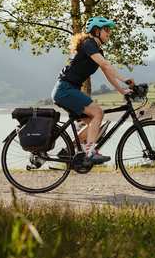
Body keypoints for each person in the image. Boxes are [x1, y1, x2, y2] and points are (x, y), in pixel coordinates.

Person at [51, 17, 134, 164]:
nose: (109, 33)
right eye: (106, 30)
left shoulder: (96, 50)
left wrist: (123, 91)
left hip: (67, 90)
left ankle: (67, 151)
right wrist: (125, 80)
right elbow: (106, 65)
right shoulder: (88, 43)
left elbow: (107, 73)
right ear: (96, 31)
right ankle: (90, 152)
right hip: (65, 89)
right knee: (98, 113)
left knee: (93, 123)